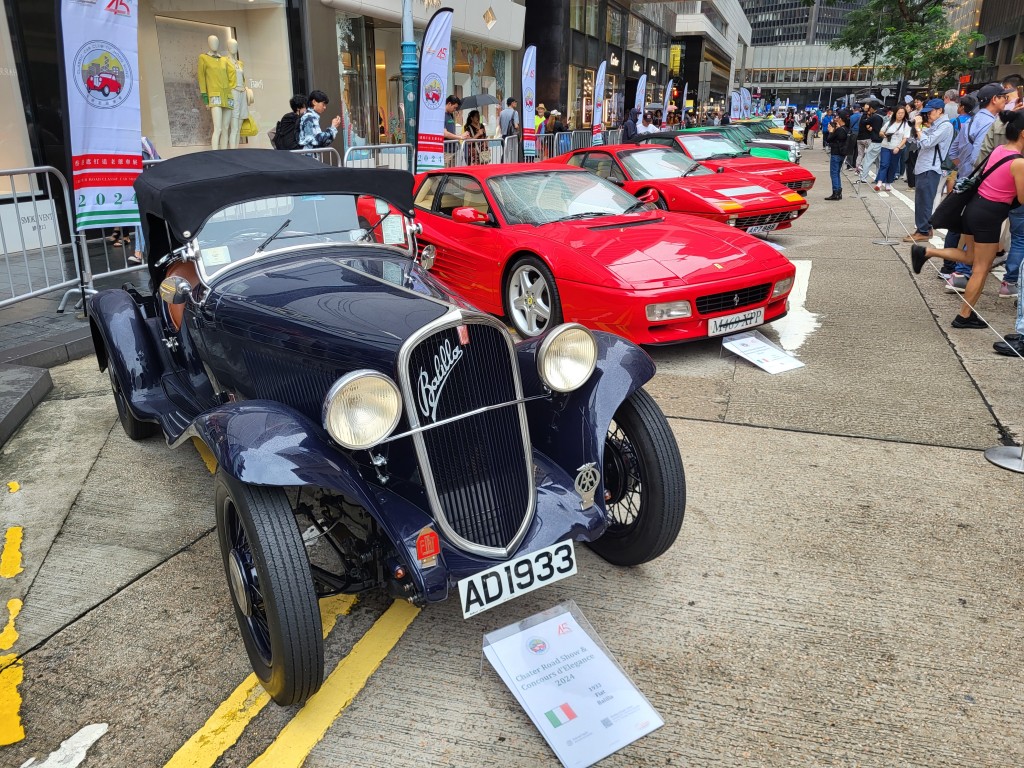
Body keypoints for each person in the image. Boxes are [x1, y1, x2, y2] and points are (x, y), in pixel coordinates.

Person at [910, 110, 1024, 329]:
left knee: (971, 258)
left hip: (973, 208)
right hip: (989, 216)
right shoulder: (1019, 163)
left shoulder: (1000, 150)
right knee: (982, 267)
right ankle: (964, 316)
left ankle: (927, 252)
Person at [941, 82, 1014, 290]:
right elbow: (979, 158)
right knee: (973, 232)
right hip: (979, 185)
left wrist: (965, 171)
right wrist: (980, 178)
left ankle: (949, 268)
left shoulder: (971, 120)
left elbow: (954, 152)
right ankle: (961, 273)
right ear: (995, 99)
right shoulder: (990, 123)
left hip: (966, 179)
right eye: (1003, 97)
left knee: (959, 226)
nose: (1006, 101)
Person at [902, 98, 954, 243]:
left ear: (939, 111)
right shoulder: (935, 125)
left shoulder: (945, 126)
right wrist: (914, 128)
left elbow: (927, 142)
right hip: (924, 166)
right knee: (921, 200)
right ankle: (923, 228)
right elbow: (916, 141)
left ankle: (924, 231)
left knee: (924, 201)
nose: (928, 115)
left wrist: (919, 128)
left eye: (930, 112)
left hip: (931, 168)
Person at [875, 106, 910, 191]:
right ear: (895, 113)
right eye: (899, 113)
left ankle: (888, 183)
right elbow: (881, 132)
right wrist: (883, 135)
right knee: (884, 164)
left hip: (897, 148)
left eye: (902, 113)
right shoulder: (890, 122)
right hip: (886, 146)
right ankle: (879, 182)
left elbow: (905, 138)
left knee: (893, 165)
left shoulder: (906, 124)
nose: (900, 115)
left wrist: (898, 147)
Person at [824, 110, 849, 200]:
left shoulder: (839, 130)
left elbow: (829, 139)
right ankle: (838, 192)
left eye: (837, 117)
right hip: (842, 154)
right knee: (837, 172)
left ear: (841, 119)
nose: (836, 119)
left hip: (836, 153)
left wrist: (831, 131)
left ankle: (836, 192)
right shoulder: (846, 129)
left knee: (834, 173)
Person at [857, 102, 883, 181]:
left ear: (871, 108)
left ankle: (863, 178)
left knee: (867, 160)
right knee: (879, 162)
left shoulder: (874, 117)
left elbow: (863, 122)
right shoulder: (882, 115)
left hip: (875, 141)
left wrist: (865, 113)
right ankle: (879, 178)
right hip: (883, 142)